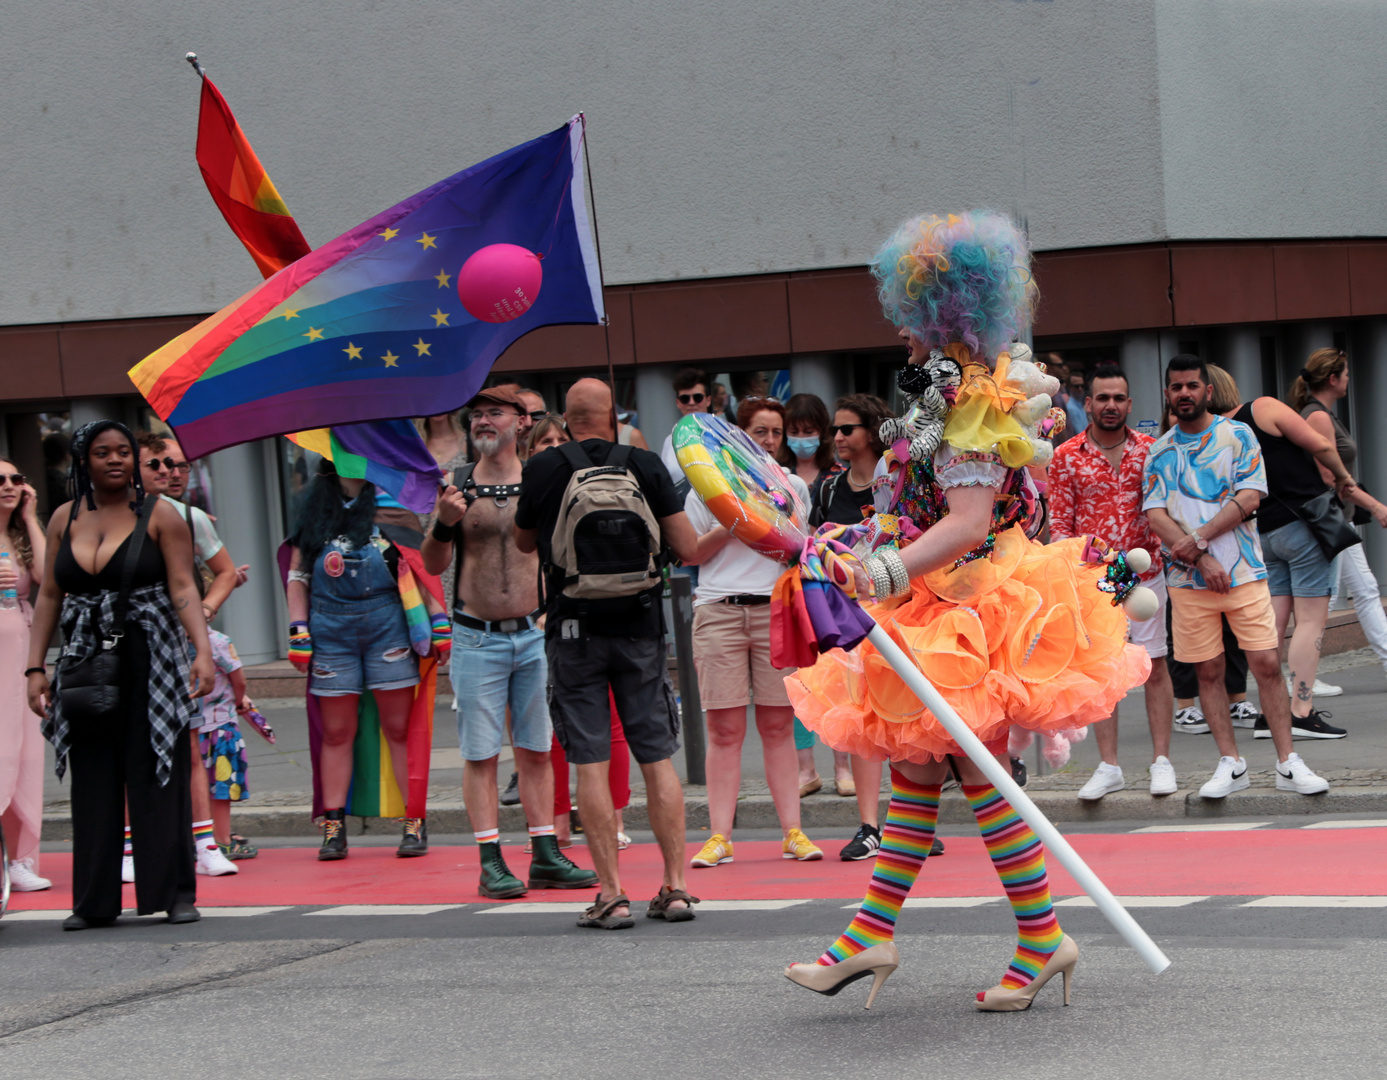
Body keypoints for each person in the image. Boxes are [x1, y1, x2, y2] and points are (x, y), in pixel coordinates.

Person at [786, 211, 1147, 1011]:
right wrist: (859, 543)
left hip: (977, 611)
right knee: (919, 772)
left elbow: (968, 523)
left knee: (982, 784)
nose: (902, 338)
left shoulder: (972, 404)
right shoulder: (934, 403)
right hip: (935, 605)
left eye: (909, 322)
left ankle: (1038, 939)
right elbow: (913, 510)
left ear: (936, 318)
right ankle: (873, 939)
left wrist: (880, 570)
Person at [515, 377, 701, 929]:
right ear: (613, 417)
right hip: (642, 628)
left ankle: (612, 894)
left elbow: (526, 544)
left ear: (568, 419)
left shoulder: (545, 468)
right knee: (655, 756)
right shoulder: (642, 463)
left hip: (574, 628)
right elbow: (687, 547)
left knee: (590, 761)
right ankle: (675, 888)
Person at [26, 420, 214, 929]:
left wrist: (202, 650)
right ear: (83, 461)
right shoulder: (65, 517)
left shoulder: (163, 515)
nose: (116, 461)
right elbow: (49, 595)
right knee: (92, 778)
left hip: (150, 655)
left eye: (124, 452)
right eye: (103, 453)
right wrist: (35, 667)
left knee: (159, 769)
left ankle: (174, 893)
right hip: (86, 658)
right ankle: (93, 902)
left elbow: (183, 586)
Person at [421, 386, 598, 898]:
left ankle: (545, 853)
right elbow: (433, 566)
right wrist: (443, 523)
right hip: (476, 636)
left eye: (493, 412)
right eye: (474, 413)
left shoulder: (541, 479)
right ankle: (490, 859)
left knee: (537, 749)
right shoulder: (454, 483)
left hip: (533, 635)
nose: (481, 421)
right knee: (480, 754)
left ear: (521, 422)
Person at [1142, 355, 1331, 798]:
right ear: (1168, 394)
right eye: (1176, 387)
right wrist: (1201, 560)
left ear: (1208, 391)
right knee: (1208, 672)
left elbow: (1251, 495)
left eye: (1192, 385)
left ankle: (1288, 762)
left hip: (1245, 572)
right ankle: (1231, 763)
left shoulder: (1238, 435)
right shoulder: (1160, 450)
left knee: (1265, 664)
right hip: (1188, 581)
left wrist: (1202, 539)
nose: (1184, 393)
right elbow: (1155, 515)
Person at [685, 397, 822, 869]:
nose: (768, 441)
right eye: (758, 432)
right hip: (719, 608)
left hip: (773, 608)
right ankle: (719, 836)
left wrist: (766, 512)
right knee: (723, 728)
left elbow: (799, 549)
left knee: (779, 724)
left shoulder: (792, 487)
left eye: (775, 433)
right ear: (738, 437)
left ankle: (793, 832)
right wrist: (733, 520)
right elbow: (690, 554)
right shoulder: (706, 487)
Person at [286, 462, 428, 860]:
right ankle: (333, 827)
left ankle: (414, 820)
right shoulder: (313, 511)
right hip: (329, 630)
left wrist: (435, 620)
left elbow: (421, 570)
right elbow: (297, 576)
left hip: (388, 625)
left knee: (399, 728)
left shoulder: (395, 506)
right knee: (335, 732)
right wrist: (298, 630)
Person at [1048, 365, 1178, 799]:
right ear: (1088, 403)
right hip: (1095, 579)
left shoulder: (1151, 451)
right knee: (1103, 672)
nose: (1110, 406)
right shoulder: (1066, 455)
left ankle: (1162, 761)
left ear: (1129, 403)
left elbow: (1164, 511)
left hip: (1146, 574)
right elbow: (1061, 525)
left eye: (1118, 398)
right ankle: (1109, 766)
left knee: (1155, 665)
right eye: (1102, 398)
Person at [1207, 363, 1355, 739]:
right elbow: (1320, 444)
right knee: (1310, 620)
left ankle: (1268, 711)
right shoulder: (1263, 409)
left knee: (1271, 625)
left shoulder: (1214, 435)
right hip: (1301, 525)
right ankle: (1300, 711)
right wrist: (1343, 477)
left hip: (1261, 532)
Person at [525, 414, 635, 846]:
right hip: (539, 624)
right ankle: (557, 820)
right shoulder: (525, 497)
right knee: (552, 728)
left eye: (560, 440)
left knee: (612, 726)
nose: (553, 447)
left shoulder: (593, 491)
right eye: (543, 441)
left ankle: (617, 819)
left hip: (593, 617)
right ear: (528, 451)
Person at [138, 434, 241, 877]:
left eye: (178, 464)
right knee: (133, 749)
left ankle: (205, 843)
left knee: (191, 745)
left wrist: (204, 611)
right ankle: (133, 848)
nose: (169, 471)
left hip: (180, 645)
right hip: (135, 642)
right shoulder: (119, 516)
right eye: (157, 464)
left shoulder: (192, 517)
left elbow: (225, 572)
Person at [809, 392, 896, 859]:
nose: (838, 438)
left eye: (847, 429)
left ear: (873, 432)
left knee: (904, 716)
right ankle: (869, 825)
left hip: (898, 608)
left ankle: (908, 820)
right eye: (835, 431)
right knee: (862, 718)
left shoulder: (897, 481)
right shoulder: (826, 489)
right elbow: (810, 549)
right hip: (847, 617)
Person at [1293, 348, 1387, 685]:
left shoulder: (1322, 414)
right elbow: (1329, 477)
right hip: (1329, 520)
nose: (1348, 379)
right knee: (1328, 598)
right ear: (1333, 379)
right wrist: (1376, 506)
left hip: (1337, 519)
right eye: (1345, 374)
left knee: (1356, 591)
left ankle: (1302, 673)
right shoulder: (1317, 416)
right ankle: (1300, 674)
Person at [783, 393, 848, 797]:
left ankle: (843, 764)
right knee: (798, 679)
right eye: (794, 432)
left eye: (809, 432)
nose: (801, 440)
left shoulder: (834, 476)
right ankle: (806, 768)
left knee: (839, 676)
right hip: (790, 586)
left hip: (830, 586)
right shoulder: (775, 475)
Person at [1, 462, 50, 891]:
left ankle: (21, 859)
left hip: (23, 653)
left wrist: (31, 518)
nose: (10, 486)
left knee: (29, 753)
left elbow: (50, 579)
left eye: (17, 479)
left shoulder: (19, 535)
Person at [660, 367, 711, 487]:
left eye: (697, 397)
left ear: (708, 400)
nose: (691, 402)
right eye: (685, 399)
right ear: (678, 403)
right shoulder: (670, 440)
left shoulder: (722, 433)